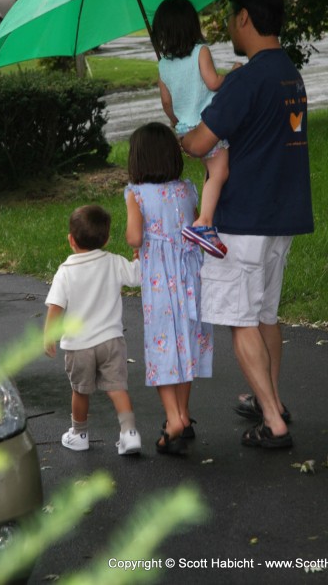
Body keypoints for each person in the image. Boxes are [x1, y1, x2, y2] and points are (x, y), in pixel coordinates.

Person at [181, 0, 314, 449]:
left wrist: (180, 127)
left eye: (231, 16)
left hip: (244, 221)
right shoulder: (287, 73)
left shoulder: (247, 79)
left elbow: (199, 143)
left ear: (244, 18)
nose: (228, 26)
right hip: (281, 216)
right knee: (264, 315)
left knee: (241, 322)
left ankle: (274, 423)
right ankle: (270, 399)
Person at [125, 122, 213, 455]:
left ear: (138, 160)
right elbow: (190, 225)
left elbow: (135, 237)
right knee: (186, 342)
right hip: (191, 275)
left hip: (161, 281)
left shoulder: (135, 193)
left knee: (163, 344)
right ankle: (184, 415)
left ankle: (173, 419)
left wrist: (138, 242)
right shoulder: (188, 188)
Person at [44, 204, 142, 455]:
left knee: (80, 390)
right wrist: (138, 257)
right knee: (117, 387)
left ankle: (79, 434)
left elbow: (55, 307)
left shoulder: (65, 272)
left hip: (79, 346)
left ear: (70, 240)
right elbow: (137, 277)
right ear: (107, 239)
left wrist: (49, 336)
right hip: (111, 340)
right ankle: (129, 432)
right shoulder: (113, 262)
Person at [152, 0, 240, 259]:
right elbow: (213, 83)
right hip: (208, 126)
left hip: (185, 131)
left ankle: (207, 217)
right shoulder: (200, 51)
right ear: (192, 24)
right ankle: (204, 223)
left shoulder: (163, 64)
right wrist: (233, 74)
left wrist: (176, 121)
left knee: (211, 171)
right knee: (221, 171)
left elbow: (166, 102)